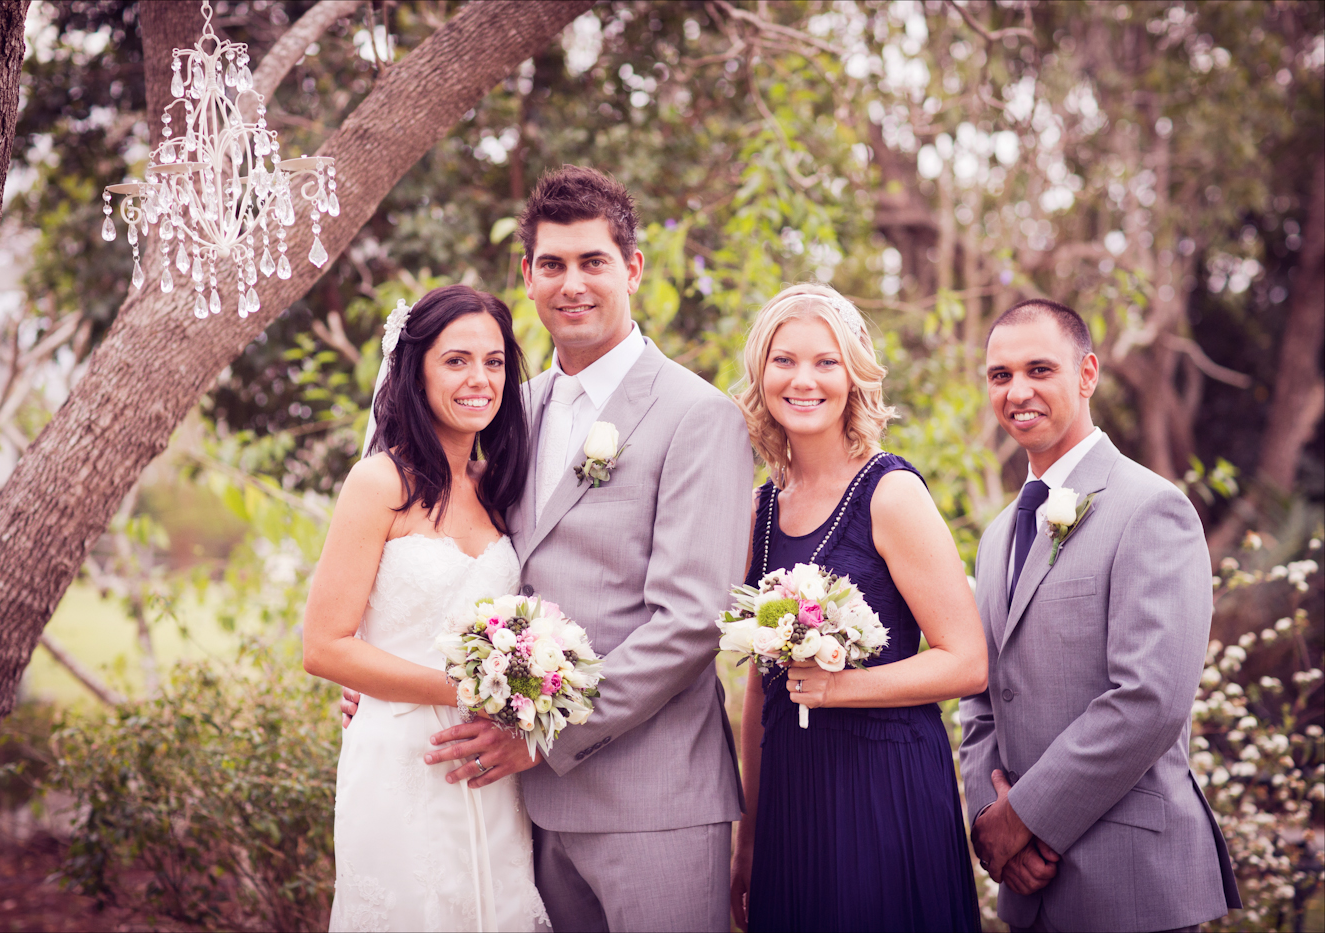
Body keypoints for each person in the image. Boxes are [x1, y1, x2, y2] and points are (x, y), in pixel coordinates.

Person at [343, 166, 754, 931]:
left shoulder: (698, 416)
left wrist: (542, 734)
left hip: (652, 799)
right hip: (519, 810)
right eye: (553, 264)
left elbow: (691, 620)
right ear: (527, 276)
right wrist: (392, 672)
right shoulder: (508, 414)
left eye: (593, 261)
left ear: (632, 269)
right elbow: (465, 562)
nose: (573, 284)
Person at [959, 298, 1241, 932]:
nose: (1017, 392)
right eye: (1001, 375)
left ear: (1087, 374)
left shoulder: (1152, 508)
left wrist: (1023, 819)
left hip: (1132, 884)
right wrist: (988, 819)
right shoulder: (998, 536)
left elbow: (1150, 699)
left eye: (1039, 369)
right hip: (1027, 889)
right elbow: (982, 695)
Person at [729, 283, 986, 933]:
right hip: (791, 793)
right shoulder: (759, 511)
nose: (803, 380)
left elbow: (967, 661)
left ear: (854, 375)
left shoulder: (892, 493)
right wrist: (749, 839)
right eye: (784, 360)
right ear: (762, 373)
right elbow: (760, 688)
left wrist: (841, 688)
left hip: (886, 784)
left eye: (826, 361)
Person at [302, 285, 550, 932]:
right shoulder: (379, 482)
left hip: (490, 758)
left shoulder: (499, 489)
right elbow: (324, 647)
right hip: (402, 758)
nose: (480, 380)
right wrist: (467, 687)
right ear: (415, 372)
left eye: (494, 362)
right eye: (456, 361)